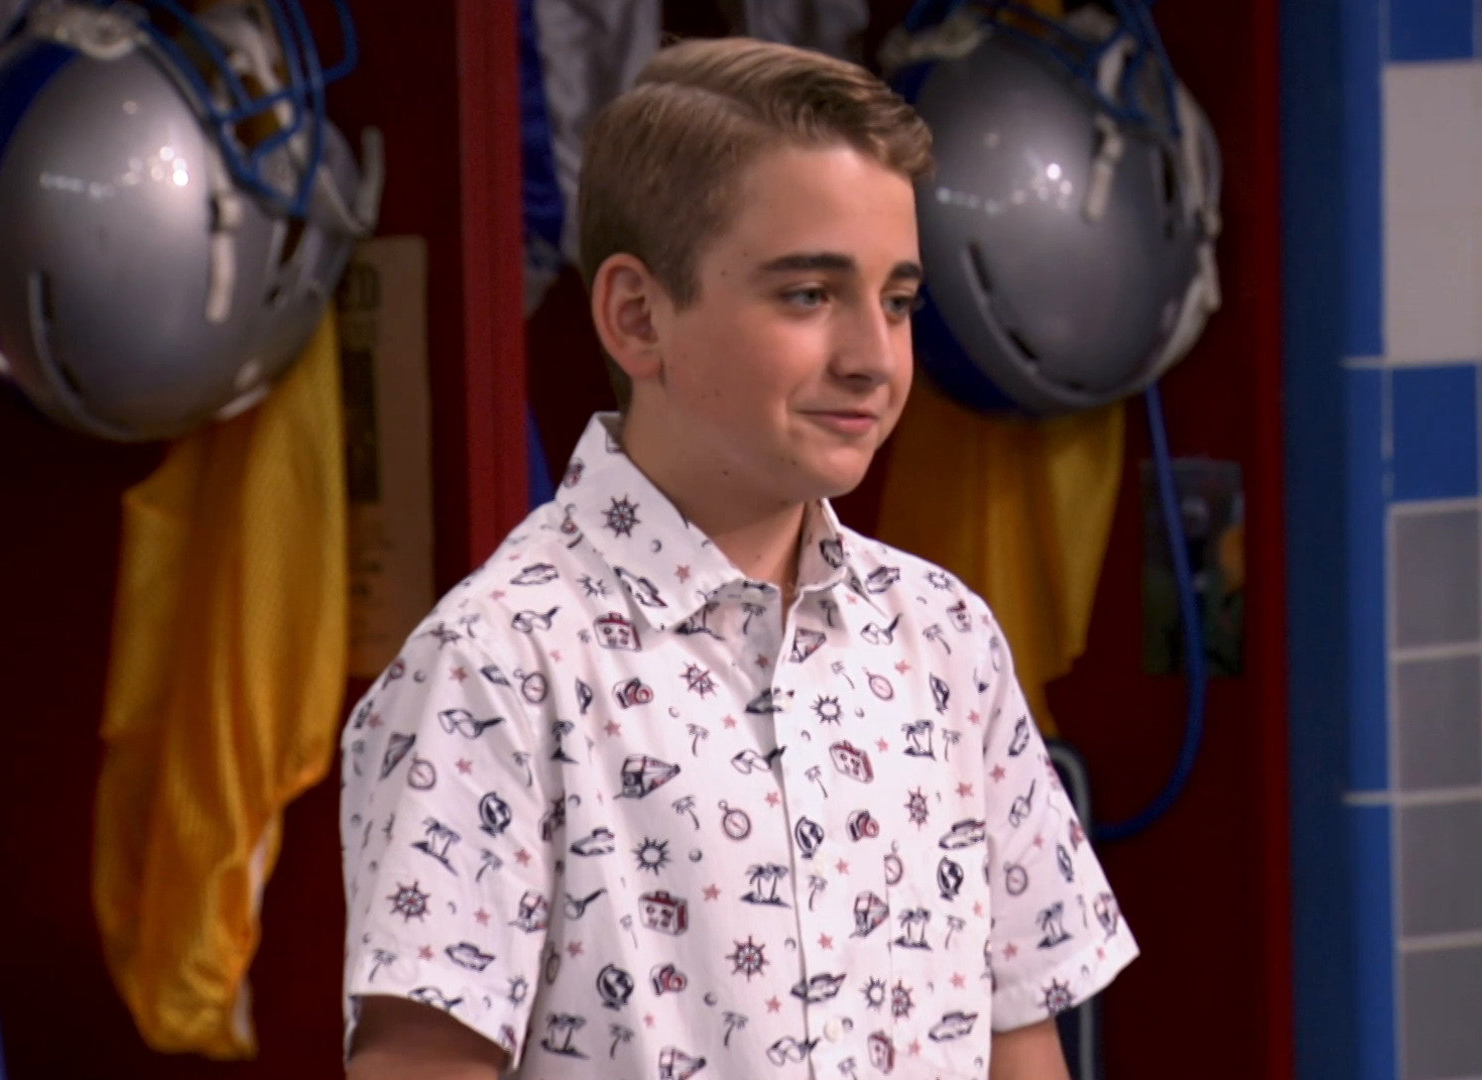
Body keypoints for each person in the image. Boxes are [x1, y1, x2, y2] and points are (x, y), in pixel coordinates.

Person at [338, 35, 1138, 1080]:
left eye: (897, 301)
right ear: (637, 316)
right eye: (809, 294)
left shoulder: (948, 644)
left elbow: (1022, 1044)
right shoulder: (495, 670)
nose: (873, 358)